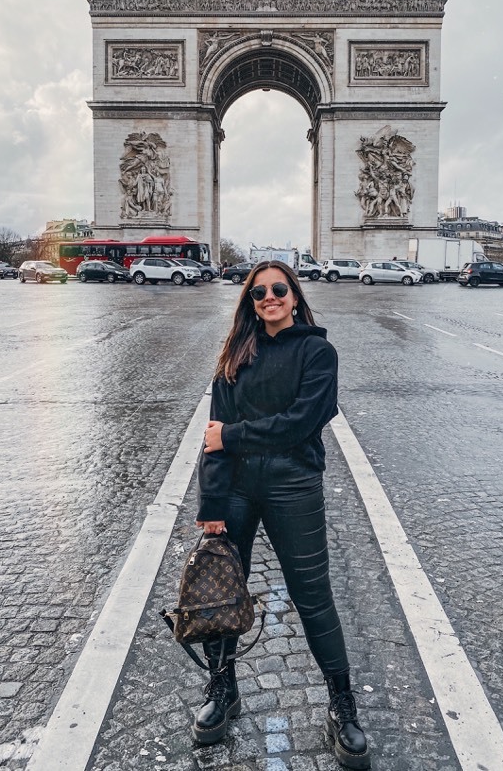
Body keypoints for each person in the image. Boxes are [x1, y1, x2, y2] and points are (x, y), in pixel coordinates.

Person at [194, 260, 369, 769]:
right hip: (239, 490)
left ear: (294, 295)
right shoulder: (232, 356)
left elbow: (301, 423)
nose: (269, 297)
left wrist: (234, 435)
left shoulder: (318, 351)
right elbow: (213, 437)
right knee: (222, 594)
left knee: (314, 599)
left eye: (278, 289)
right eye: (259, 292)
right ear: (249, 301)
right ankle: (222, 689)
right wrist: (211, 506)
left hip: (295, 486)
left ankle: (342, 705)